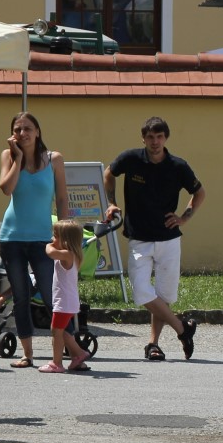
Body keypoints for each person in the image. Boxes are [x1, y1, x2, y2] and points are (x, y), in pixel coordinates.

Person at [104, 116, 205, 362]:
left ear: (166, 138)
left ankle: (154, 344)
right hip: (139, 237)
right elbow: (109, 173)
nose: (155, 142)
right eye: (150, 137)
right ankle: (183, 329)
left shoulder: (178, 166)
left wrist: (184, 217)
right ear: (143, 138)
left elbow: (199, 192)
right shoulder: (131, 158)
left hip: (169, 239)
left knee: (163, 295)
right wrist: (112, 202)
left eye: (159, 136)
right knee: (141, 291)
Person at [0, 111, 70, 368]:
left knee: (54, 296)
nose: (22, 134)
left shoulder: (54, 159)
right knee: (20, 296)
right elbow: (6, 188)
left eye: (27, 128)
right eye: (17, 129)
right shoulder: (9, 156)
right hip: (12, 237)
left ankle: (65, 349)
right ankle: (27, 353)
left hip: (44, 239)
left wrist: (64, 235)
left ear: (38, 131)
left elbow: (62, 199)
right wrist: (17, 159)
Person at [41, 219, 93, 374]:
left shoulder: (67, 254)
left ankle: (56, 363)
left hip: (64, 302)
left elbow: (50, 253)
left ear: (65, 240)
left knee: (56, 331)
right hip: (66, 301)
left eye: (55, 236)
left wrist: (47, 245)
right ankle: (79, 354)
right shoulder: (73, 255)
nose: (52, 239)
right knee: (62, 331)